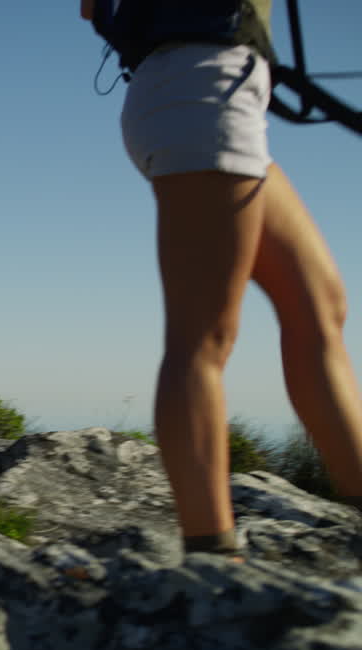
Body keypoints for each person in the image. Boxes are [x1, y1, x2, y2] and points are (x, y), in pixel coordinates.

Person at [80, 0, 362, 553]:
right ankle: (212, 554)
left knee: (318, 304)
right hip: (203, 89)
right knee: (202, 338)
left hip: (210, 88)